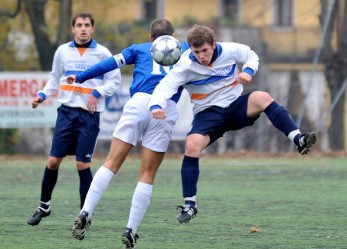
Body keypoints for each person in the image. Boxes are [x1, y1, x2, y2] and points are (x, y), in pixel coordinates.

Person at [149, 24, 317, 224]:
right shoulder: (184, 65)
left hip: (235, 106)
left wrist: (247, 71)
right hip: (207, 113)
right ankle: (190, 205)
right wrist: (156, 105)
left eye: (205, 50)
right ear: (191, 50)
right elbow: (165, 86)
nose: (201, 56)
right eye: (197, 52)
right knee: (192, 145)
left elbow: (251, 55)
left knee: (262, 97)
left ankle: (298, 139)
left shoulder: (229, 50)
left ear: (213, 44)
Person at [66, 19, 189, 248]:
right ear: (172, 36)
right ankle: (130, 230)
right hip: (165, 109)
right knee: (147, 174)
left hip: (139, 103)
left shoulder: (139, 48)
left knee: (111, 164)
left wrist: (81, 77)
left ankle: (86, 211)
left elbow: (109, 64)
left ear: (150, 38)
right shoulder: (185, 50)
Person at [27, 12, 121, 226]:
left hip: (88, 116)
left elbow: (114, 83)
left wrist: (96, 93)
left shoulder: (103, 53)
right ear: (73, 28)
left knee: (82, 164)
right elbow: (54, 79)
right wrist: (42, 95)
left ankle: (84, 215)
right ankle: (44, 206)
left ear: (92, 28)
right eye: (79, 25)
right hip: (66, 113)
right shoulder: (62, 51)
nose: (83, 29)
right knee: (52, 162)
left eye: (87, 25)